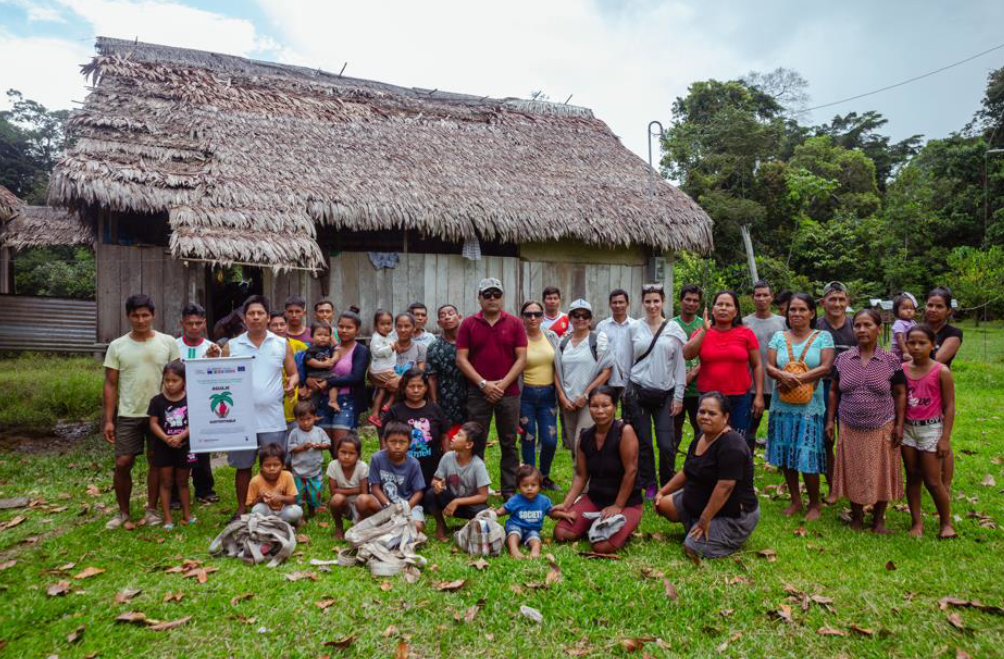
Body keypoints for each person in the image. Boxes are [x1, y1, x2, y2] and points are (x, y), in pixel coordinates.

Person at [103, 294, 181, 529]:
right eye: (135, 315)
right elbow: (110, 384)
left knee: (156, 463)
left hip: (161, 412)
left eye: (145, 315)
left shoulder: (168, 343)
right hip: (129, 413)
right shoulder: (117, 346)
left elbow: (178, 377)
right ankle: (123, 512)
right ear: (128, 316)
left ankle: (152, 510)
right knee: (123, 462)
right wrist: (108, 419)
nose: (140, 320)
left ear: (153, 315)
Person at [826, 309, 906, 533]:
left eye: (867, 325)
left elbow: (900, 392)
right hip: (850, 426)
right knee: (854, 470)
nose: (861, 330)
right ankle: (857, 517)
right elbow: (833, 391)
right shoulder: (843, 359)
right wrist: (830, 421)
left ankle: (879, 520)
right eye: (857, 325)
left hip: (882, 426)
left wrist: (899, 424)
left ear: (878, 329)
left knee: (882, 471)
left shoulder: (890, 360)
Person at [655, 392, 760, 560]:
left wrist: (704, 520)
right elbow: (687, 471)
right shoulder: (701, 437)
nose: (705, 417)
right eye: (701, 412)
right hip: (703, 497)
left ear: (725, 417)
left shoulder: (732, 445)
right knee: (663, 505)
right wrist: (662, 492)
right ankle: (698, 524)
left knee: (692, 547)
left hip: (734, 514)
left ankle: (727, 535)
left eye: (712, 413)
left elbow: (725, 487)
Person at [222, 295, 299, 518]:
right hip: (241, 419)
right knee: (243, 466)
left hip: (272, 417)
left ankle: (281, 507)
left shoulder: (280, 344)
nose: (256, 317)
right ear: (244, 319)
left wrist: (291, 383)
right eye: (251, 314)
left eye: (260, 313)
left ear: (268, 317)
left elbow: (293, 373)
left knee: (277, 464)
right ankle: (242, 508)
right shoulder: (232, 346)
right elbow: (219, 378)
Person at [764, 294, 834, 521]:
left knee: (808, 452)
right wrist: (781, 374)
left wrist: (799, 379)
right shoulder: (778, 337)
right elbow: (769, 366)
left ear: (812, 313)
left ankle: (814, 503)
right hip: (782, 405)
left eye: (802, 309)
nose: (796, 314)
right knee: (786, 452)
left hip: (810, 407)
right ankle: (796, 499)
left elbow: (825, 367)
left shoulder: (823, 337)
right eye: (792, 310)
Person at [456, 278, 528, 499]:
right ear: (479, 298)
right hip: (478, 392)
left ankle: (508, 489)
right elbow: (461, 359)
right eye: (487, 295)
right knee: (476, 441)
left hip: (509, 392)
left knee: (509, 442)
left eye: (497, 294)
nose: (492, 299)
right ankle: (476, 489)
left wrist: (503, 384)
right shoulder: (468, 324)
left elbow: (522, 358)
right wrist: (484, 384)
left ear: (502, 297)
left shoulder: (515, 323)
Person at [552, 387, 644, 554]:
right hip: (595, 499)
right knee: (561, 534)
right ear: (589, 408)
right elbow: (581, 475)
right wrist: (566, 504)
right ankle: (595, 521)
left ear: (615, 407)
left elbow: (631, 471)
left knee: (601, 547)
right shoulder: (585, 436)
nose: (600, 411)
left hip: (627, 503)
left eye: (605, 405)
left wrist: (617, 505)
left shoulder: (625, 432)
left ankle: (628, 521)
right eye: (594, 406)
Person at [624, 283, 688, 497]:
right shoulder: (633, 328)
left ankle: (668, 484)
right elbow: (626, 362)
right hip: (638, 391)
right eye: (648, 301)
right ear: (642, 303)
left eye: (656, 301)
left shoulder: (673, 329)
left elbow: (679, 366)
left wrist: (678, 396)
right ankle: (648, 483)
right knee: (644, 443)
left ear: (663, 302)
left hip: (665, 393)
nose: (652, 305)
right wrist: (625, 392)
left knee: (666, 444)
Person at [683, 291, 765, 449]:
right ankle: (707, 472)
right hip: (708, 398)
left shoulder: (746, 333)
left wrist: (759, 395)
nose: (723, 308)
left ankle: (736, 472)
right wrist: (703, 331)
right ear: (712, 310)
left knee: (737, 440)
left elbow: (757, 365)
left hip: (739, 398)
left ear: (736, 311)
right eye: (719, 304)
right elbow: (687, 354)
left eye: (728, 305)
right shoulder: (702, 332)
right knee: (707, 439)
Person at [902, 325, 956, 539]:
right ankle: (916, 522)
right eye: (912, 342)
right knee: (913, 477)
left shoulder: (941, 371)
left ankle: (946, 523)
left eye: (922, 343)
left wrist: (945, 438)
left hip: (931, 429)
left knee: (933, 481)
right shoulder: (902, 369)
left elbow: (949, 406)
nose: (916, 347)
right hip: (907, 429)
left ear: (933, 345)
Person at [174, 303, 220, 504]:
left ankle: (204, 489)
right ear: (182, 323)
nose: (193, 327)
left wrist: (212, 359)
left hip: (202, 404)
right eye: (189, 323)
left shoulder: (212, 348)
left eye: (197, 323)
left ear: (204, 324)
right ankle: (175, 493)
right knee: (177, 447)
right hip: (176, 404)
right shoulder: (172, 346)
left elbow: (218, 376)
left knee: (202, 448)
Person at [555, 299, 614, 455]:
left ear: (590, 319)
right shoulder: (563, 341)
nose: (581, 319)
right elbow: (556, 370)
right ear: (570, 318)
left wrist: (587, 394)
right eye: (576, 315)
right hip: (568, 402)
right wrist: (562, 397)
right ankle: (579, 478)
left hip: (590, 401)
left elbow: (607, 370)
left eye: (585, 315)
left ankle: (590, 478)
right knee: (573, 447)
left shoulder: (598, 340)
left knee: (583, 444)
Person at [816, 281, 856, 502]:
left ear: (847, 302)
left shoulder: (855, 327)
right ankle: (833, 486)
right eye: (832, 299)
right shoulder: (817, 327)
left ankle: (852, 486)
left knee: (849, 440)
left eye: (841, 299)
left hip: (849, 390)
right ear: (823, 303)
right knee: (826, 439)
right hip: (821, 387)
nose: (837, 304)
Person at [380, 368, 449, 488]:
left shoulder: (435, 409)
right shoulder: (395, 411)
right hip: (402, 470)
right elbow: (384, 437)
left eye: (420, 386)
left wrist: (448, 460)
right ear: (403, 388)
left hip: (432, 470)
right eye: (411, 386)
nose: (416, 390)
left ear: (426, 387)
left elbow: (444, 435)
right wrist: (387, 461)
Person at [147, 360, 195, 529]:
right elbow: (153, 423)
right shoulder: (157, 401)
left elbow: (196, 421)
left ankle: (187, 514)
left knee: (182, 481)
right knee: (166, 482)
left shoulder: (191, 400)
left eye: (175, 381)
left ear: (184, 381)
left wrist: (181, 436)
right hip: (163, 447)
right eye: (167, 380)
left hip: (185, 446)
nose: (170, 384)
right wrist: (167, 438)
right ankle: (167, 518)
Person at [518, 300, 559, 490]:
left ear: (543, 317)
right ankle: (530, 479)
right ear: (523, 317)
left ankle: (544, 475)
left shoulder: (551, 336)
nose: (532, 318)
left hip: (548, 394)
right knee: (529, 437)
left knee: (550, 440)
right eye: (528, 314)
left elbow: (559, 363)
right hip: (526, 393)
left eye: (536, 314)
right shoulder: (517, 338)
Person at [924, 286, 963, 487]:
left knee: (941, 436)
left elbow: (938, 360)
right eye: (930, 305)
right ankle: (926, 477)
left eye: (939, 306)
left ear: (948, 310)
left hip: (938, 387)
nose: (933, 309)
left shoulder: (953, 333)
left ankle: (945, 484)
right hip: (915, 387)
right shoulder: (918, 329)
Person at [427, 422, 491, 541]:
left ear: (469, 444)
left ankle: (469, 527)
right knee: (431, 494)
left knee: (483, 512)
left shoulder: (478, 465)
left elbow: (483, 496)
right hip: (449, 502)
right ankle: (441, 525)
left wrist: (457, 501)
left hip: (469, 506)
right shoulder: (447, 457)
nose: (453, 436)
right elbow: (434, 481)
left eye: (459, 435)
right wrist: (437, 485)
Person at [356, 421, 427, 530]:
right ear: (384, 442)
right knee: (362, 500)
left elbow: (419, 492)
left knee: (417, 527)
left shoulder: (414, 464)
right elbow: (374, 488)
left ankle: (387, 525)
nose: (397, 446)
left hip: (407, 505)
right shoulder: (377, 458)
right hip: (383, 504)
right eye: (392, 442)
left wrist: (405, 508)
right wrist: (389, 506)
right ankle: (382, 524)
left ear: (409, 444)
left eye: (402, 442)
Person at [318, 312, 370, 455]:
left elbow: (356, 377)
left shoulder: (361, 350)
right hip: (324, 401)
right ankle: (337, 476)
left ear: (357, 329)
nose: (344, 330)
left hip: (347, 401)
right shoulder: (332, 349)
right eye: (341, 326)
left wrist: (328, 382)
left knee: (342, 448)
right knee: (330, 447)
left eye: (349, 327)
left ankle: (351, 476)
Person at [497, 465, 572, 558]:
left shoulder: (544, 501)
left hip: (532, 529)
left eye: (533, 485)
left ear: (540, 486)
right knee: (513, 535)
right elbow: (504, 510)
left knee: (536, 540)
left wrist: (564, 515)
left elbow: (551, 513)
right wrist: (494, 513)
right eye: (525, 485)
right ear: (518, 487)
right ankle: (514, 551)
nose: (529, 488)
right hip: (515, 526)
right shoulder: (515, 500)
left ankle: (535, 552)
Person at [743, 281, 786, 442]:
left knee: (780, 430)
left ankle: (781, 465)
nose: (762, 299)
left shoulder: (782, 323)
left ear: (771, 297)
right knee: (749, 429)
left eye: (765, 295)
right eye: (758, 295)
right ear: (752, 298)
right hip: (751, 385)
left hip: (778, 384)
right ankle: (746, 464)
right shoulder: (744, 323)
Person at [286, 400, 331, 519]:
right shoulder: (294, 433)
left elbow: (327, 444)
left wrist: (319, 446)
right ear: (296, 419)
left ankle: (312, 513)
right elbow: (291, 448)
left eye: (309, 419)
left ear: (315, 417)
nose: (306, 423)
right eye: (302, 420)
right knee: (299, 494)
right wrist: (303, 447)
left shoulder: (319, 431)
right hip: (298, 471)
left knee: (314, 493)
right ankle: (300, 516)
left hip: (315, 470)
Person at [672, 284, 703, 445]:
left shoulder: (704, 326)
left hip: (698, 388)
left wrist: (693, 373)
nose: (691, 303)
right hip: (675, 388)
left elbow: (709, 355)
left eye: (695, 300)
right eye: (688, 299)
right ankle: (669, 468)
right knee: (673, 431)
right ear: (680, 300)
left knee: (701, 430)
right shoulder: (670, 325)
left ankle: (698, 465)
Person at [426, 304, 467, 429]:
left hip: (470, 396)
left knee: (470, 435)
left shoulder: (470, 342)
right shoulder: (434, 347)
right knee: (446, 435)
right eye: (443, 316)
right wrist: (434, 402)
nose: (447, 317)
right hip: (445, 398)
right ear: (439, 323)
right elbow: (432, 377)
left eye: (450, 313)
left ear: (459, 317)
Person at [268, 312, 308, 431]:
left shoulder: (300, 346)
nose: (279, 328)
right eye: (275, 325)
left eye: (282, 324)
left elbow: (310, 368)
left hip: (295, 400)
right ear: (268, 327)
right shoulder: (263, 347)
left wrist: (305, 386)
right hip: (272, 402)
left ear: (287, 326)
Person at [326, 433, 369, 539]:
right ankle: (339, 526)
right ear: (337, 452)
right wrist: (355, 490)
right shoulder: (333, 466)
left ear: (358, 455)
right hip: (344, 505)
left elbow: (364, 493)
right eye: (343, 452)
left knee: (362, 500)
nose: (346, 457)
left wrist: (341, 490)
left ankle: (360, 521)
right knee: (336, 499)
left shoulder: (362, 467)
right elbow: (333, 492)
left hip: (360, 506)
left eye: (351, 453)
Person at [247, 444, 302, 526]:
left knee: (297, 511)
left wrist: (280, 498)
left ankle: (275, 523)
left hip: (284, 510)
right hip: (267, 511)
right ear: (261, 466)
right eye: (267, 465)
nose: (272, 468)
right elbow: (251, 504)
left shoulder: (287, 475)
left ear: (283, 465)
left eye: (276, 465)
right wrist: (261, 498)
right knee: (257, 509)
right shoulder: (255, 481)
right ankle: (280, 523)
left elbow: (293, 500)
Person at [596, 289, 635, 397]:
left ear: (627, 303)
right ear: (610, 304)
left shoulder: (636, 326)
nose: (618, 305)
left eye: (621, 302)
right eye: (614, 302)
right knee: (607, 411)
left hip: (630, 377)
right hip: (607, 378)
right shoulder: (602, 326)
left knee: (629, 411)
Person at [367, 309, 397, 427]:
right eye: (382, 324)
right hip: (382, 370)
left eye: (389, 324)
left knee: (382, 390)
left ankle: (374, 415)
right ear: (376, 325)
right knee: (401, 383)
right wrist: (391, 347)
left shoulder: (389, 336)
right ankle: (388, 404)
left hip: (385, 368)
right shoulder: (376, 338)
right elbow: (377, 352)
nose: (386, 327)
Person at [303, 321, 336, 404]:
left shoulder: (329, 348)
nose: (323, 337)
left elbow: (336, 351)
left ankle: (332, 401)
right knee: (333, 379)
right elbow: (310, 361)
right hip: (314, 374)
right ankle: (311, 392)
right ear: (312, 336)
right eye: (319, 334)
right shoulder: (312, 349)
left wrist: (330, 362)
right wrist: (324, 364)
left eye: (326, 335)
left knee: (335, 381)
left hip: (325, 373)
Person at [891, 293, 918, 363]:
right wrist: (905, 352)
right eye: (904, 308)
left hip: (909, 347)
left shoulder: (913, 322)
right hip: (899, 350)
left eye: (911, 308)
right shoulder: (899, 323)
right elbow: (900, 338)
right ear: (897, 311)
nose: (909, 311)